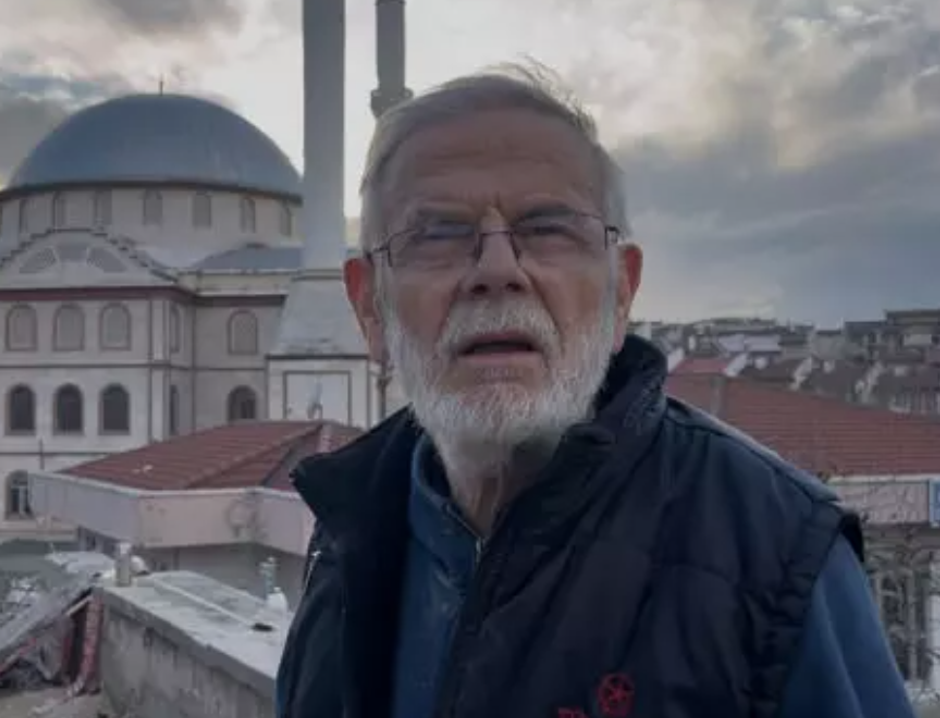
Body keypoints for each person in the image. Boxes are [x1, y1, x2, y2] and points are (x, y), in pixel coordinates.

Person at [274, 64, 914, 718]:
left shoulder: (776, 555)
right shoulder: (349, 534)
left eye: (547, 228)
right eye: (437, 233)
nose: (497, 270)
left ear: (621, 294)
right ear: (370, 307)